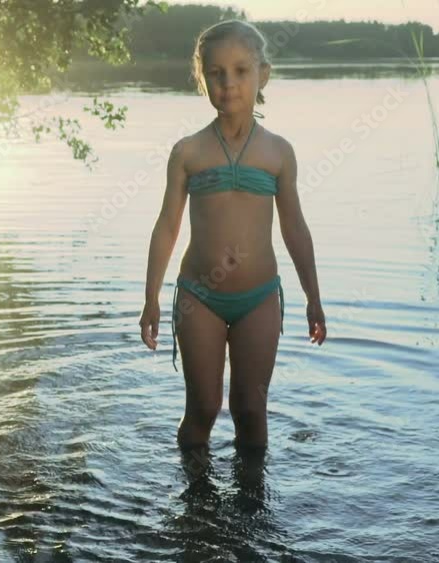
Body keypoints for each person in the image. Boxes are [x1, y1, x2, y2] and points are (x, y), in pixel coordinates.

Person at [138, 19, 326, 451]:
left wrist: (313, 297)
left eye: (241, 70)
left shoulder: (278, 153)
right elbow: (167, 225)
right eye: (216, 73)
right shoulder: (188, 152)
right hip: (199, 296)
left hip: (259, 298)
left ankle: (253, 509)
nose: (228, 83)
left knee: (250, 411)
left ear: (264, 74)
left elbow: (295, 227)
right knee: (203, 407)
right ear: (201, 79)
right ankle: (195, 506)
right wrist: (151, 298)